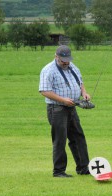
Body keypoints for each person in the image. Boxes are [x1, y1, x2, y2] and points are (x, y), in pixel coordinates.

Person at [39, 45, 91, 178]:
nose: (66, 62)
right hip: (57, 109)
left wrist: (84, 93)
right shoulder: (48, 70)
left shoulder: (73, 67)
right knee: (60, 140)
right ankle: (59, 171)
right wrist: (62, 100)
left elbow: (80, 82)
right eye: (63, 60)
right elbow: (44, 91)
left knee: (78, 137)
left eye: (67, 59)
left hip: (72, 107)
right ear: (56, 56)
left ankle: (83, 168)